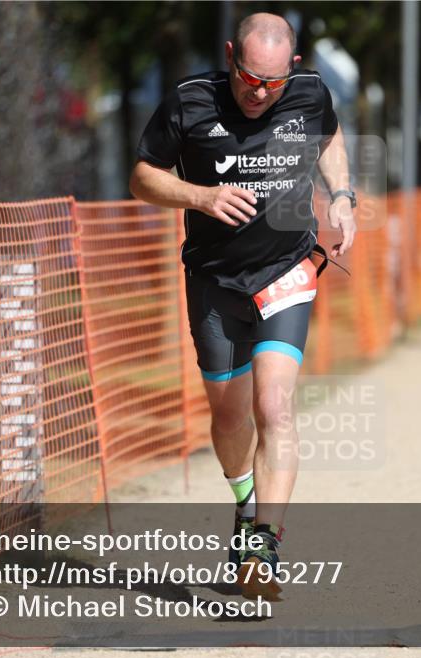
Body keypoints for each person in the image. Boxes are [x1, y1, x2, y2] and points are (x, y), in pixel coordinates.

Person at [129, 12, 355, 600]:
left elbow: (329, 134)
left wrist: (343, 195)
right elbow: (142, 177)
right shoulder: (190, 101)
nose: (258, 92)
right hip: (213, 279)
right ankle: (245, 501)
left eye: (272, 82)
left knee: (273, 406)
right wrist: (200, 195)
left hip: (285, 272)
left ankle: (265, 542)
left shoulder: (309, 95)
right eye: (249, 77)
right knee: (230, 419)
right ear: (231, 55)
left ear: (295, 69)